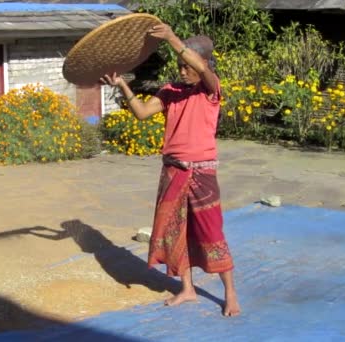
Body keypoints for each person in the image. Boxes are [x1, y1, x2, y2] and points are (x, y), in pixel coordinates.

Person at [100, 22, 241, 317]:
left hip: (201, 173)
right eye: (179, 66)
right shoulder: (169, 91)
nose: (182, 70)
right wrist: (123, 85)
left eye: (186, 65)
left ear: (202, 65)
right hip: (173, 172)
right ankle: (187, 289)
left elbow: (199, 67)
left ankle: (230, 293)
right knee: (176, 234)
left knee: (211, 232)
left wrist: (171, 38)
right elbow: (140, 113)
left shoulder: (211, 89)